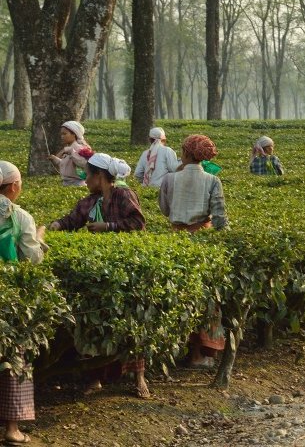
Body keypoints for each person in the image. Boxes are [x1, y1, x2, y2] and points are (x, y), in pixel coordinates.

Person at [48, 153, 149, 397]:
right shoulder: (90, 201)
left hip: (125, 268)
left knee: (129, 321)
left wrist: (109, 227)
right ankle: (95, 378)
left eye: (88, 175)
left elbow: (138, 223)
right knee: (95, 322)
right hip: (96, 271)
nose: (85, 179)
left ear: (100, 176)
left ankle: (139, 377)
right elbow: (72, 219)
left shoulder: (124, 195)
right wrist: (55, 226)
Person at [159, 135, 228, 369]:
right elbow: (220, 218)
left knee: (180, 295)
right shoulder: (212, 180)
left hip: (177, 240)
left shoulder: (170, 179)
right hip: (203, 242)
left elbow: (165, 209)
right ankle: (205, 352)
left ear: (186, 154)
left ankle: (183, 351)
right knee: (207, 297)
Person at [0, 161, 47, 446]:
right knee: (15, 357)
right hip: (9, 298)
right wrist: (39, 241)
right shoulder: (20, 217)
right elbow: (32, 260)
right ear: (14, 186)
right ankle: (12, 429)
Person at [48, 120, 93, 187]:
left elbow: (83, 164)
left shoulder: (80, 148)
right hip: (67, 184)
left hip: (77, 184)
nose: (62, 137)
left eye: (65, 134)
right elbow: (68, 165)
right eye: (61, 134)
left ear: (74, 134)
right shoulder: (68, 148)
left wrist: (72, 152)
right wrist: (56, 160)